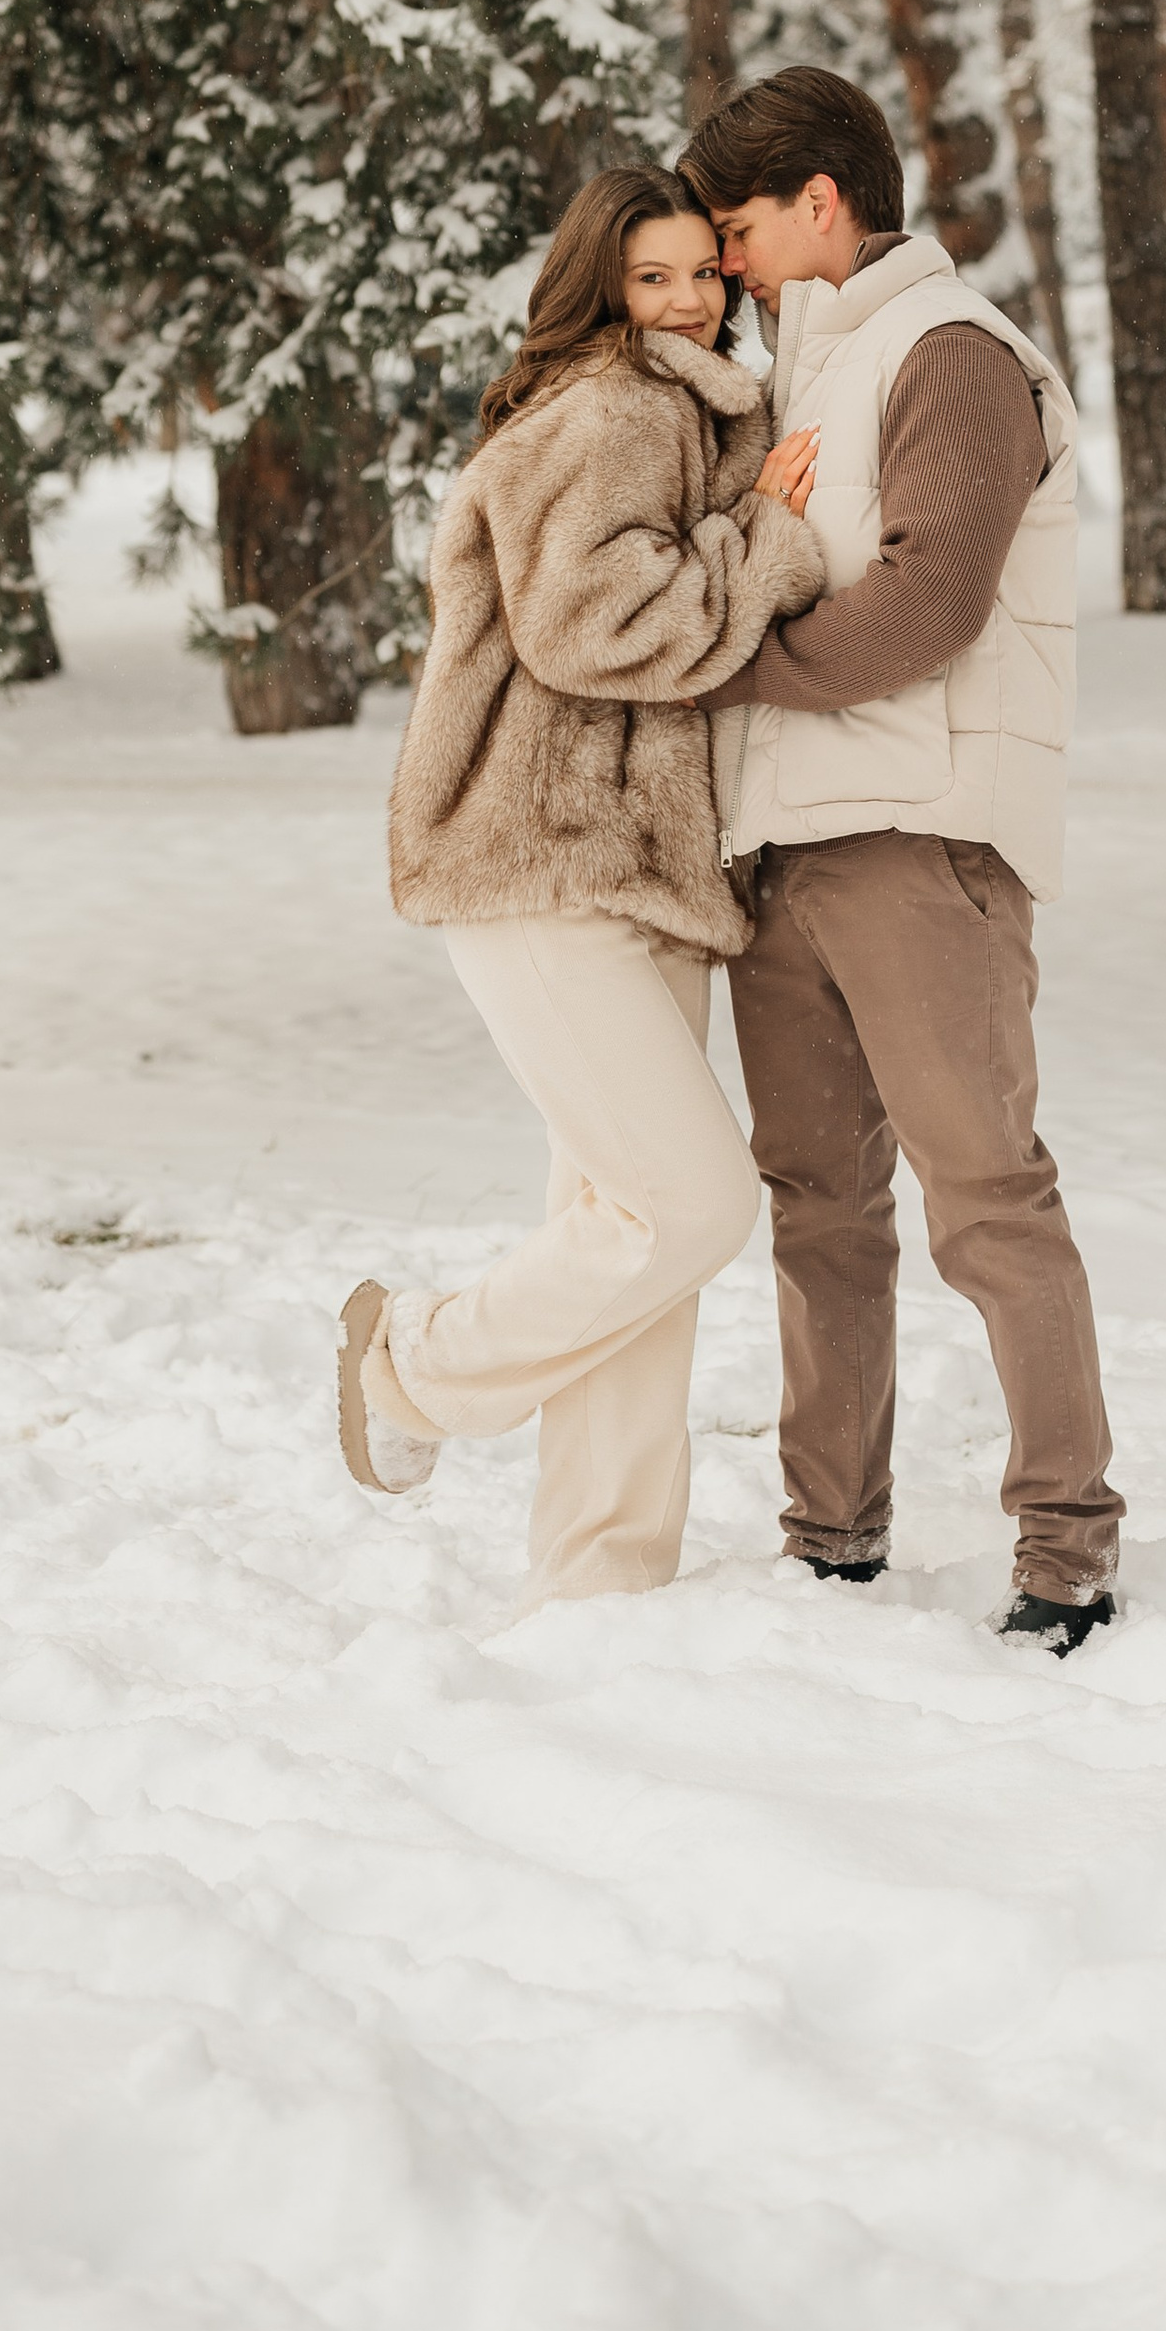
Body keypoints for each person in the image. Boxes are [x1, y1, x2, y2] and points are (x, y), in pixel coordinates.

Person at [681, 67, 1125, 1655]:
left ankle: (1066, 1546)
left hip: (921, 842)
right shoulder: (802, 376)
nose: (724, 263)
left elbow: (930, 605)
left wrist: (723, 661)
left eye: (739, 228)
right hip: (784, 851)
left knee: (986, 1202)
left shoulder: (954, 356)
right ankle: (831, 1535)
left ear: (822, 202)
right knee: (818, 1206)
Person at [342, 168, 823, 1606]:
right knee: (693, 1206)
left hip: (641, 868)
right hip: (541, 859)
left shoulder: (683, 407)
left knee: (625, 1234)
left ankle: (600, 1583)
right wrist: (768, 551)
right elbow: (591, 624)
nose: (689, 300)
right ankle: (410, 1368)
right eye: (653, 279)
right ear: (600, 291)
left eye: (703, 274)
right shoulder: (614, 409)